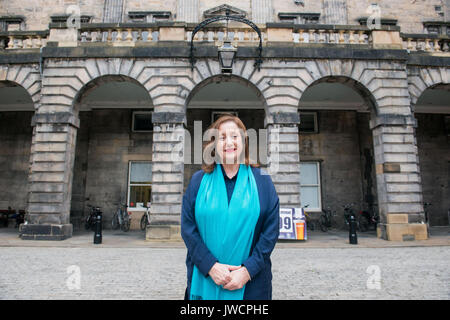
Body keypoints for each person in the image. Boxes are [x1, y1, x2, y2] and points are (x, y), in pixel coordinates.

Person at [181, 114, 280, 300]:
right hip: (205, 277)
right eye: (222, 137)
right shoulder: (198, 181)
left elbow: (271, 231)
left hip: (252, 283)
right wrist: (210, 266)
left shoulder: (263, 180)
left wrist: (247, 271)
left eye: (235, 136)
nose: (229, 142)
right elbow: (188, 230)